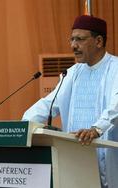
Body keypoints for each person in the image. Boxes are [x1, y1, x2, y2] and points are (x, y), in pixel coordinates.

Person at [22, 15, 118, 188]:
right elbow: (49, 104)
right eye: (72, 39)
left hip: (107, 158)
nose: (73, 45)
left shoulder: (116, 68)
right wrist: (24, 124)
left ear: (98, 41)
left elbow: (115, 107)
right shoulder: (72, 73)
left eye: (80, 39)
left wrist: (96, 129)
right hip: (76, 158)